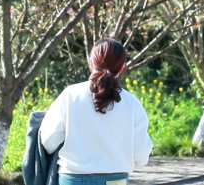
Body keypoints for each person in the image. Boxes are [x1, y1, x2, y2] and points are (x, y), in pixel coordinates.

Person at [40, 39, 153, 185]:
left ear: (91, 63)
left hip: (73, 179)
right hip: (116, 180)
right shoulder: (132, 103)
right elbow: (141, 156)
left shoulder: (70, 96)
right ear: (122, 67)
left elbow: (48, 142)